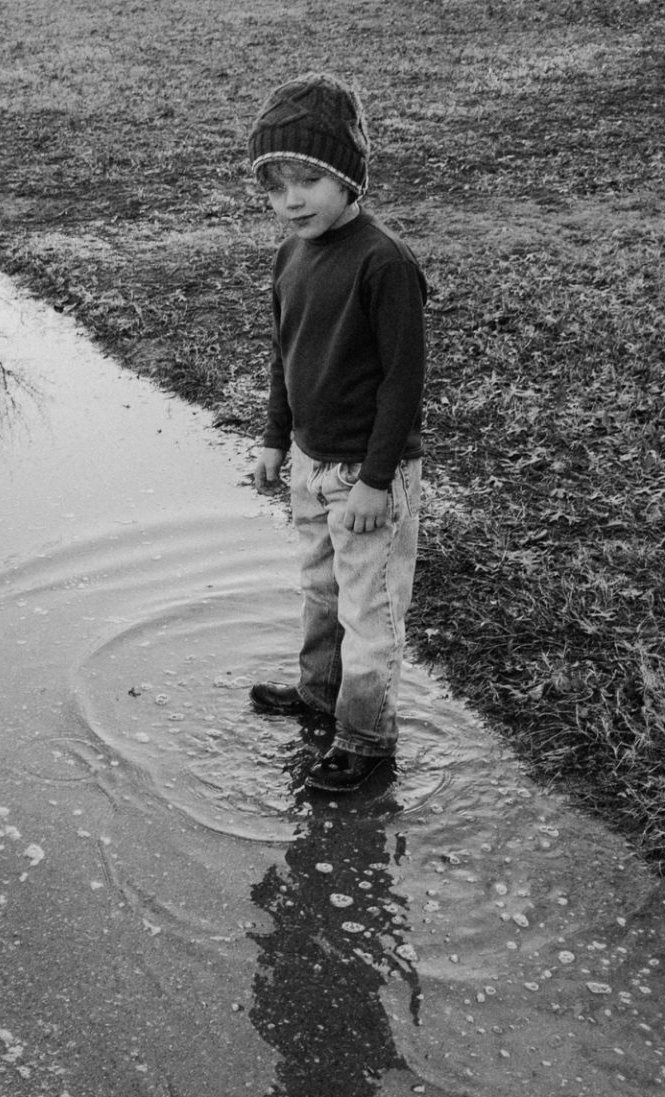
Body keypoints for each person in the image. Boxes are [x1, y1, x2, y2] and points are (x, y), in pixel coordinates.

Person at [246, 72, 428, 794]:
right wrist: (273, 438)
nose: (290, 200)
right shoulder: (291, 255)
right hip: (310, 464)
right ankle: (319, 695)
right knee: (320, 590)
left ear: (348, 177)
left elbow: (402, 385)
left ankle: (366, 740)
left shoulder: (384, 264)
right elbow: (284, 355)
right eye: (275, 185)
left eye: (307, 181)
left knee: (368, 609)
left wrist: (379, 481)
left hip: (366, 477)